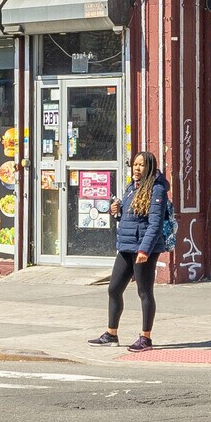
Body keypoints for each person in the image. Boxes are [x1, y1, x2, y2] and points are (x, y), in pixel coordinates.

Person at [91, 151, 168, 352]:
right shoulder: (131, 188)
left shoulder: (157, 189)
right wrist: (117, 213)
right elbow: (129, 218)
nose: (137, 168)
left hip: (144, 248)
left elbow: (155, 224)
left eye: (141, 165)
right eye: (135, 164)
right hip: (126, 245)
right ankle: (111, 334)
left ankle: (146, 338)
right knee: (114, 288)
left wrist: (145, 250)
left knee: (144, 292)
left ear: (150, 167)